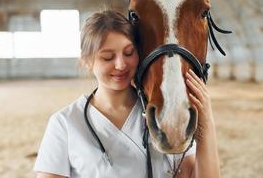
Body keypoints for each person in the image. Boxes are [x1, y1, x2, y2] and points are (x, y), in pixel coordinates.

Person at [34, 10, 220, 178]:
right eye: (108, 57)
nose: (121, 65)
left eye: (129, 53)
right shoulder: (65, 124)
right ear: (87, 61)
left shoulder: (164, 114)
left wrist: (207, 122)